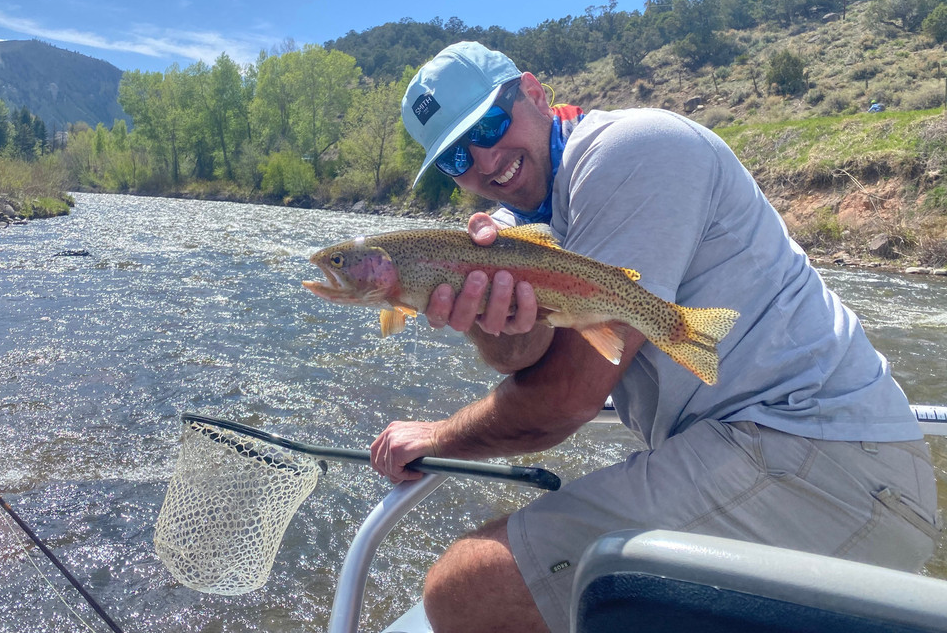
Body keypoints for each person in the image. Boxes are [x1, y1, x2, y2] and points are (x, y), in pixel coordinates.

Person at [369, 41, 941, 633]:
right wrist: (487, 318)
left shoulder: (633, 149)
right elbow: (522, 359)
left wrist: (441, 438)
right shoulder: (515, 227)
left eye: (489, 125)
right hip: (759, 452)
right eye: (456, 156)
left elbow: (563, 401)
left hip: (823, 456)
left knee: (470, 589)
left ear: (535, 94)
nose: (485, 160)